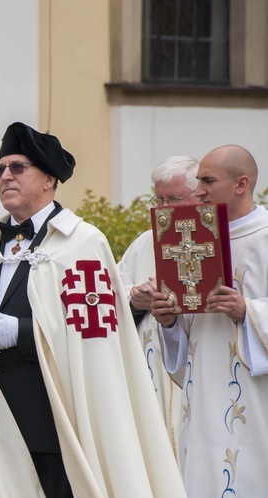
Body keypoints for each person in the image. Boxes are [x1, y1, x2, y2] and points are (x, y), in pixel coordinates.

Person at [0, 122, 186, 497]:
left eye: (18, 167)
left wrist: (21, 333)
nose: (6, 176)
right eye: (0, 169)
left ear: (48, 179)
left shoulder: (82, 242)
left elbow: (95, 332)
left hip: (55, 414)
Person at [150, 144, 268, 496]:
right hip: (201, 391)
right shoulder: (194, 235)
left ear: (241, 184)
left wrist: (247, 311)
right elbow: (189, 331)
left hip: (254, 396)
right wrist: (170, 320)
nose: (198, 189)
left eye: (207, 180)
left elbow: (246, 308)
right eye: (198, 179)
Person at [117, 155, 199, 461]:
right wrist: (135, 300)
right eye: (159, 198)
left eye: (173, 198)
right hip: (150, 372)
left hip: (197, 370)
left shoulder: (218, 241)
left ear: (199, 195)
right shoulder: (143, 244)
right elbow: (114, 292)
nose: (163, 208)